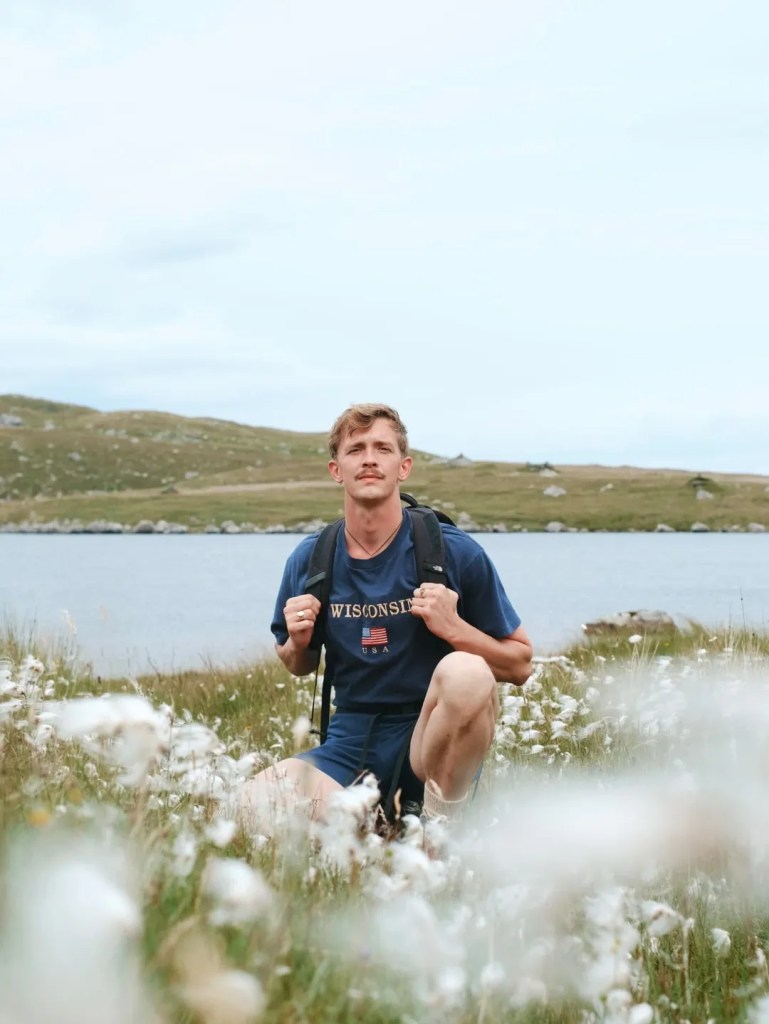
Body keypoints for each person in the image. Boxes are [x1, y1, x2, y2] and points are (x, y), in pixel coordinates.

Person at [240, 403, 532, 829]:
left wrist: (455, 629)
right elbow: (297, 664)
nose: (370, 458)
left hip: (430, 739)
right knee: (251, 804)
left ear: (404, 467)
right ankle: (377, 827)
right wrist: (298, 643)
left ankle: (437, 836)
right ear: (336, 469)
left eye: (383, 448)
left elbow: (521, 663)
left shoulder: (453, 551)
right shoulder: (311, 559)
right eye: (356, 449)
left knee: (467, 672)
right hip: (349, 745)